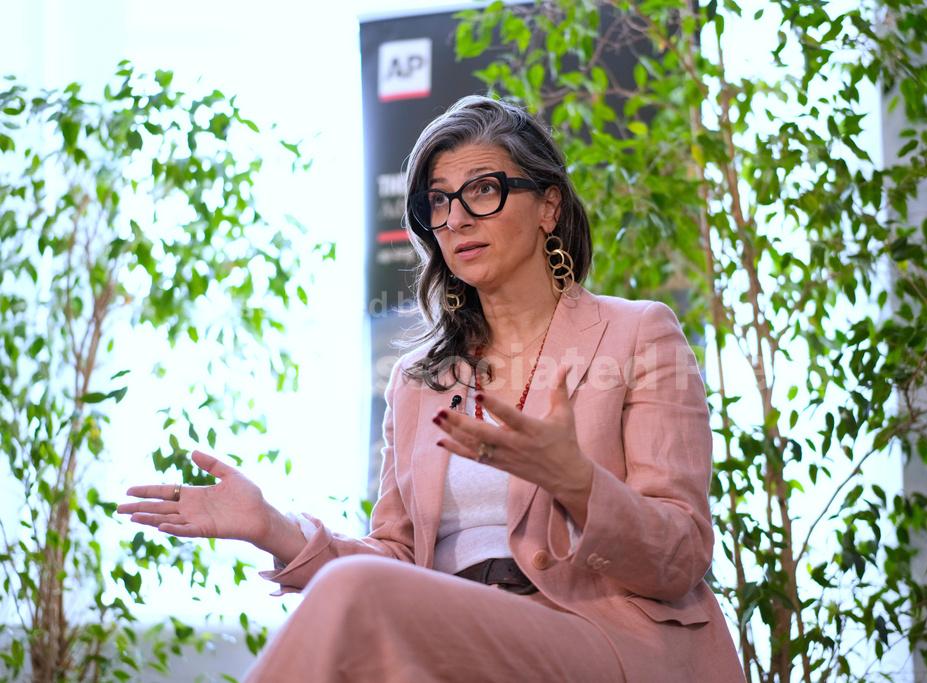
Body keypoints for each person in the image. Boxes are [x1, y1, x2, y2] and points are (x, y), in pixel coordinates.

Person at [118, 95, 744, 682]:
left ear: (548, 206)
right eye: (438, 202)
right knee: (355, 604)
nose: (457, 218)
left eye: (483, 190)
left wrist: (577, 483)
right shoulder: (419, 379)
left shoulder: (638, 333)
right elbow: (397, 559)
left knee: (353, 595)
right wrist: (273, 527)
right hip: (457, 625)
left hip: (599, 632)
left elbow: (681, 553)